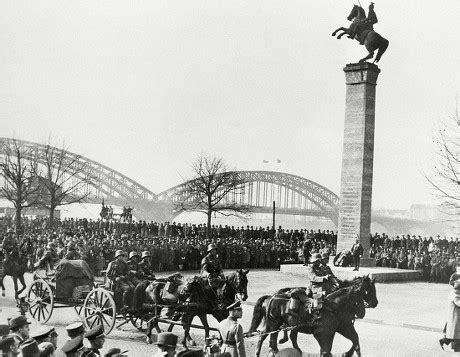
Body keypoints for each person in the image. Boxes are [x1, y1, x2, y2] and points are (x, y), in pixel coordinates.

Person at [440, 264, 460, 351]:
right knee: (456, 334)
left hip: (455, 317)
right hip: (455, 317)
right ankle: (456, 349)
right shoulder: (455, 294)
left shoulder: (455, 293)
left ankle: (444, 341)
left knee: (454, 333)